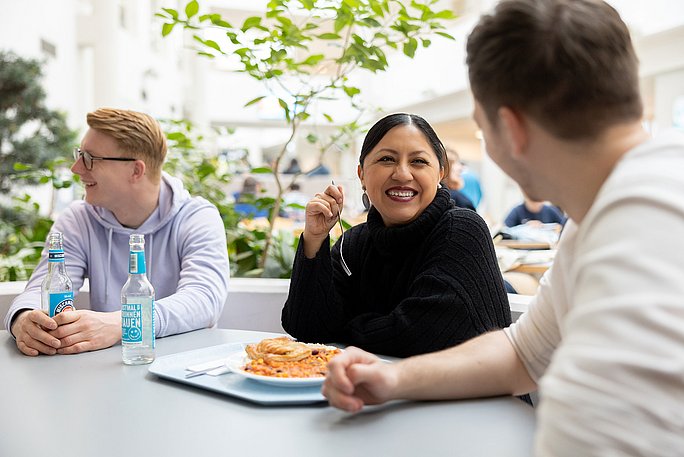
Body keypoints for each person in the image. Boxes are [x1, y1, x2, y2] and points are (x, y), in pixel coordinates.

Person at [322, 1, 684, 455]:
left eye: (480, 128)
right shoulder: (603, 211)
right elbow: (524, 353)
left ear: (510, 129)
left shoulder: (642, 222)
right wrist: (395, 378)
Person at [281, 113, 512, 358]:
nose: (402, 174)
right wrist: (314, 238)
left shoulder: (462, 228)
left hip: (475, 396)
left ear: (440, 173)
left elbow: (419, 335)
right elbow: (306, 328)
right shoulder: (355, 242)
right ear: (361, 175)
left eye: (419, 162)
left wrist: (344, 328)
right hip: (379, 393)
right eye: (387, 159)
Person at [5, 108, 230, 356]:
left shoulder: (196, 217)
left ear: (136, 170)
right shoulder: (79, 219)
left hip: (186, 368)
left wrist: (123, 323)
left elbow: (204, 300)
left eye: (90, 158)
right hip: (110, 370)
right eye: (79, 155)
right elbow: (42, 288)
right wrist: (24, 319)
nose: (76, 168)